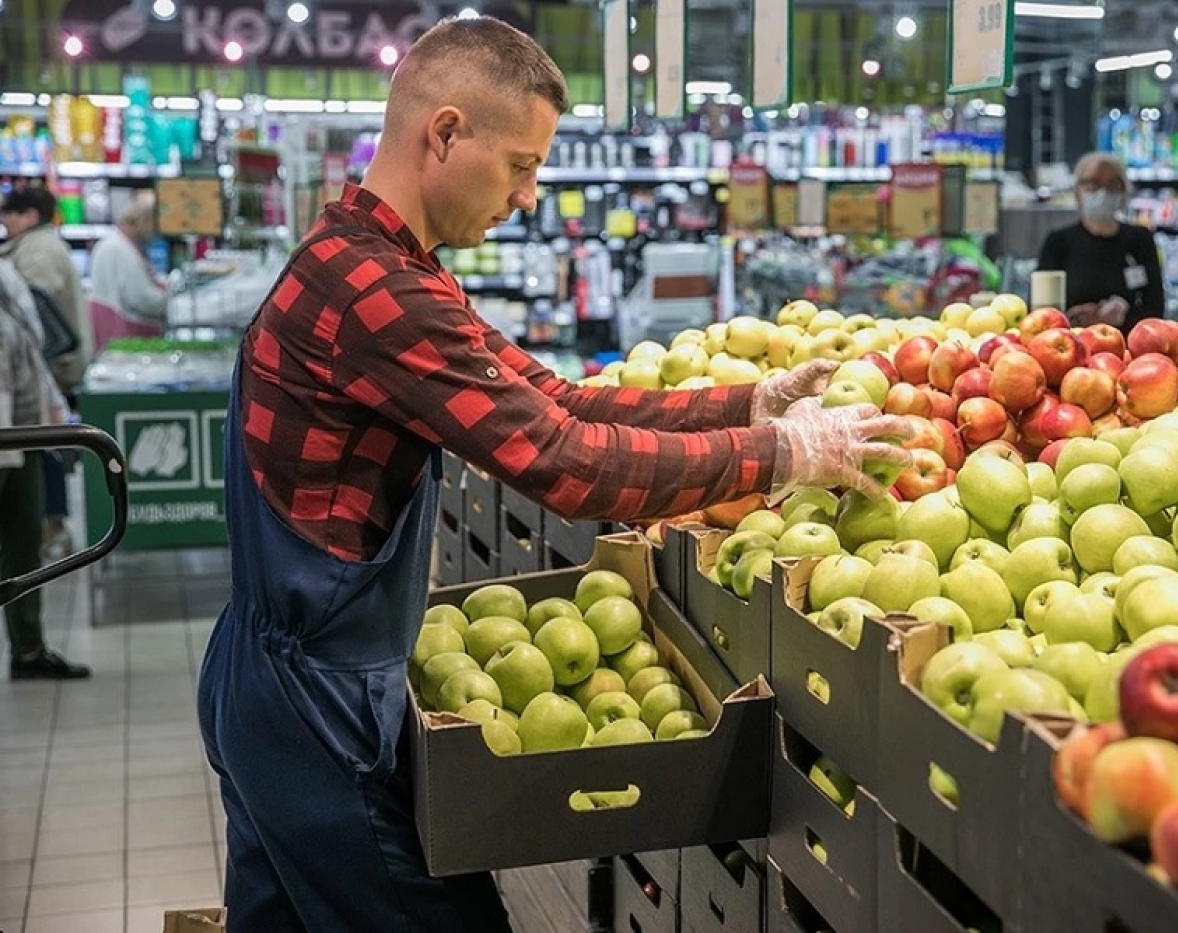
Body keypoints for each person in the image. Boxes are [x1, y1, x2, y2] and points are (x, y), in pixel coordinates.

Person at [195, 16, 913, 932]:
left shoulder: (371, 263)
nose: (531, 196)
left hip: (271, 683)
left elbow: (555, 401)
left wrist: (745, 404)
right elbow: (564, 462)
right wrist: (781, 456)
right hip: (314, 707)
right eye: (522, 166)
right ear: (445, 134)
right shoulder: (380, 296)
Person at [0, 257, 91, 680]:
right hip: (9, 436)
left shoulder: (8, 276)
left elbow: (30, 352)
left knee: (23, 548)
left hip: (21, 433)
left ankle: (29, 650)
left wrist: (52, 410)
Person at [0, 186, 89, 561]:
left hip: (48, 371)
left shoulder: (37, 251)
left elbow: (36, 312)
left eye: (11, 214)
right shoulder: (35, 246)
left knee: (44, 449)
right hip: (45, 371)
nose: (5, 221)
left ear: (30, 216)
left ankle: (52, 527)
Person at [1037, 152, 1165, 331]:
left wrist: (1121, 317)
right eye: (1092, 184)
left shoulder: (1140, 240)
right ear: (1077, 191)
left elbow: (1155, 308)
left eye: (1112, 184)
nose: (1103, 192)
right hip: (1071, 343)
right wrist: (1076, 317)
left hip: (1127, 348)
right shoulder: (1058, 242)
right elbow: (1040, 313)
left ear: (1124, 192)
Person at [87, 192, 169, 354]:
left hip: (112, 332)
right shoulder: (119, 249)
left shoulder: (115, 243)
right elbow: (140, 298)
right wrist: (170, 299)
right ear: (145, 221)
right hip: (125, 335)